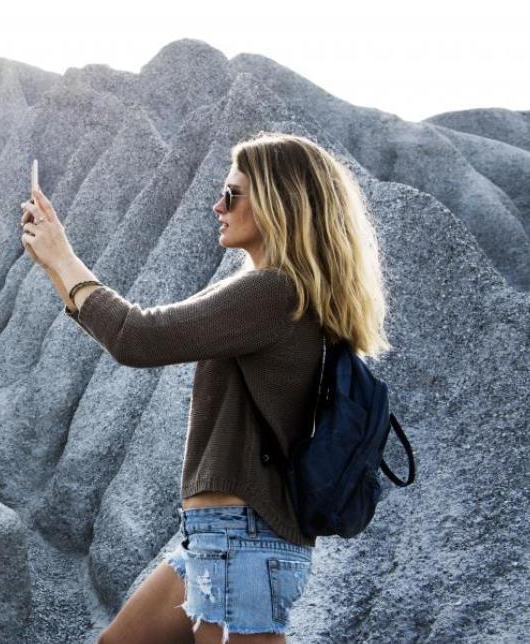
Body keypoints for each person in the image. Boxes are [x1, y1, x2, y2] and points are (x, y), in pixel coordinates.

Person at [20, 132, 390, 644]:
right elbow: (131, 335)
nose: (218, 205)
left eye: (233, 194)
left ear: (278, 205)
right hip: (218, 537)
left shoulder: (273, 291)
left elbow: (139, 337)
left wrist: (63, 258)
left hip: (244, 539)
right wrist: (54, 265)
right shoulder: (278, 291)